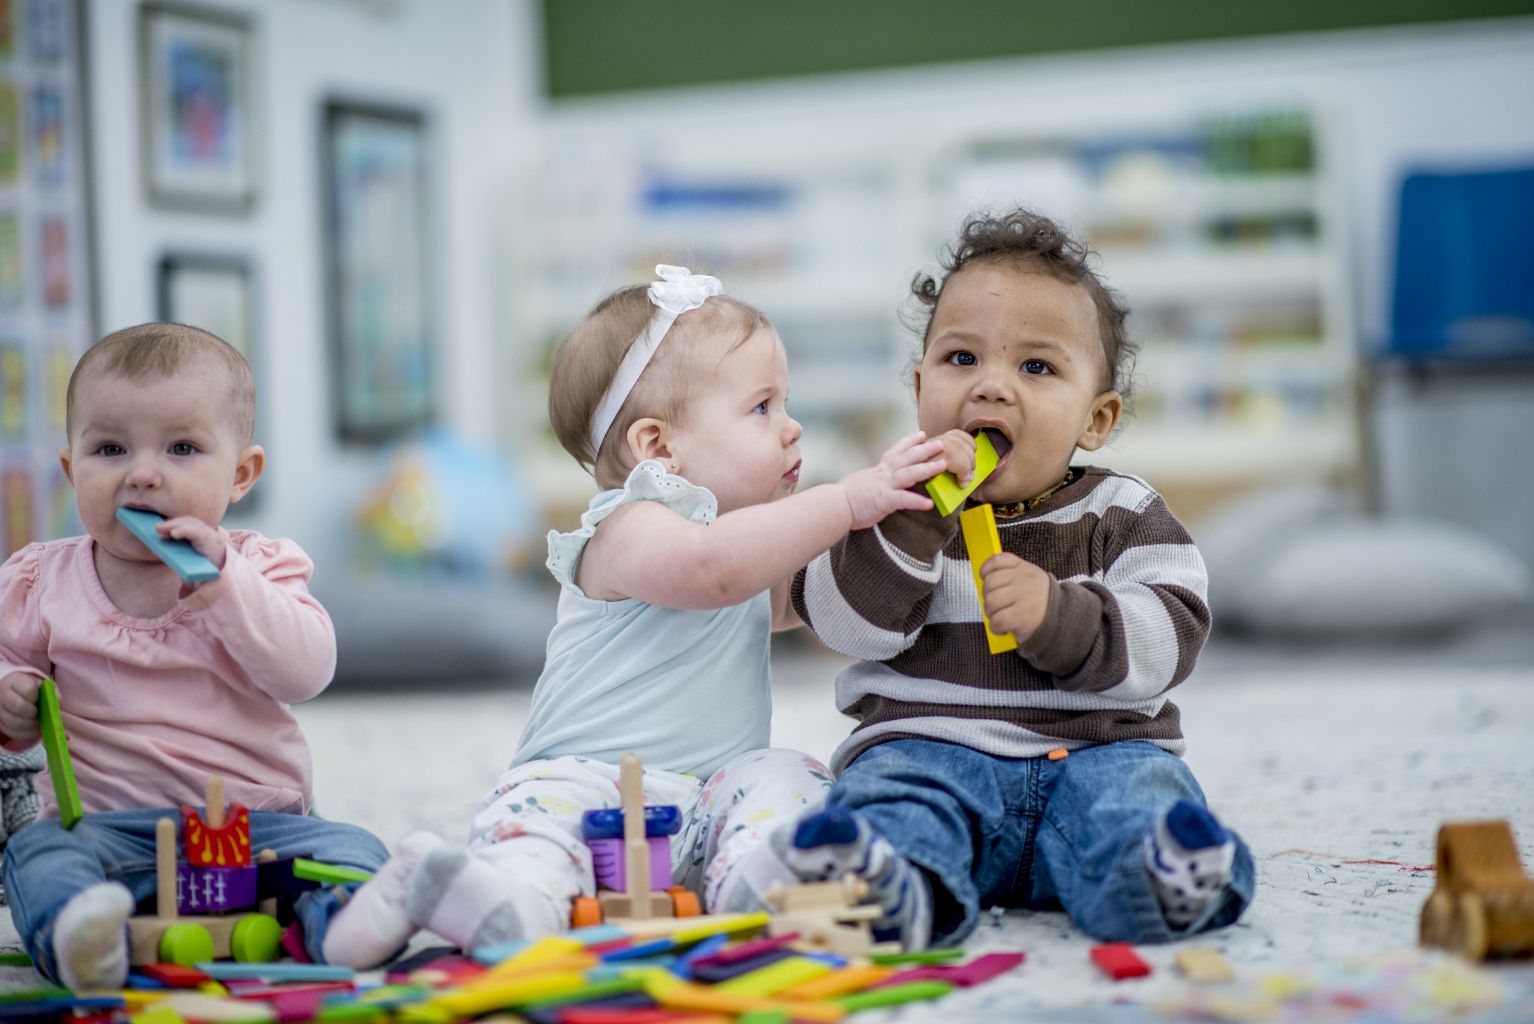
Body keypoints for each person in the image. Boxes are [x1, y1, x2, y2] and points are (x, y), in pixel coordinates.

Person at [322, 266, 947, 967]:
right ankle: (486, 894)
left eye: (786, 402)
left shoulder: (743, 537)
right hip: (586, 781)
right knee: (539, 831)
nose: (792, 426)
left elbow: (814, 598)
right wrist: (842, 502)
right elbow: (712, 571)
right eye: (762, 407)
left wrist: (896, 528)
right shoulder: (627, 528)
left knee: (787, 772)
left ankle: (760, 876)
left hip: (710, 794)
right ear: (657, 448)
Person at [782, 209, 1255, 950]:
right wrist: (911, 522)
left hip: (1096, 753)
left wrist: (1063, 618)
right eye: (961, 359)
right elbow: (844, 624)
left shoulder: (1121, 512)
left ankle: (1163, 877)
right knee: (889, 795)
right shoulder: (885, 500)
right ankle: (890, 887)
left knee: (1139, 799)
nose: (991, 388)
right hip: (930, 751)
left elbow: (1176, 633)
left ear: (1094, 419)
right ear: (918, 386)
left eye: (1036, 367)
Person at [0, 323, 387, 989]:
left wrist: (228, 584)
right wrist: (10, 693)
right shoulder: (41, 582)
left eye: (182, 448)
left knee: (355, 851)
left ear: (241, 475)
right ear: (71, 469)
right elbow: (7, 673)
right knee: (34, 853)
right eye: (110, 448)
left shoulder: (262, 568)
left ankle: (344, 927)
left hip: (255, 826)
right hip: (109, 832)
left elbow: (307, 669)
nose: (142, 473)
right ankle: (82, 935)